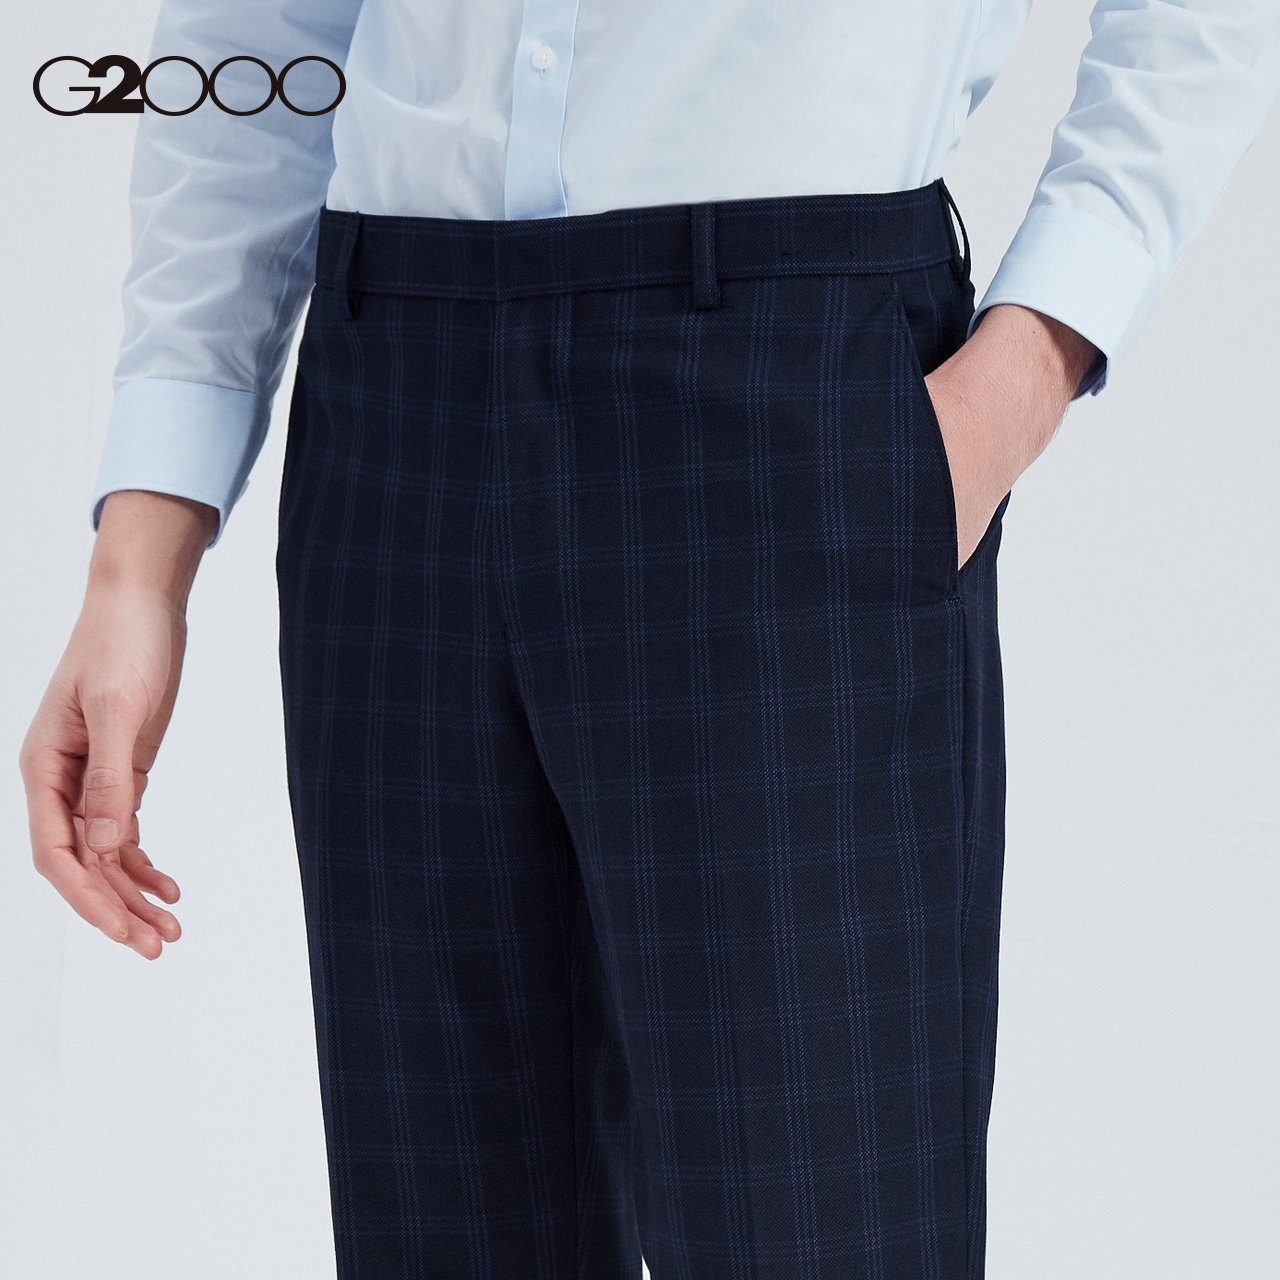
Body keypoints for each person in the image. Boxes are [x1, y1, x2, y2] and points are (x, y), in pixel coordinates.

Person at [19, 2, 1280, 1276]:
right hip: (395, 409)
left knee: (813, 1227)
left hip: (789, 392)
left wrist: (1027, 365)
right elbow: (253, 28)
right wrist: (139, 557)